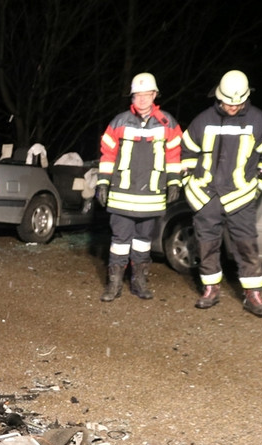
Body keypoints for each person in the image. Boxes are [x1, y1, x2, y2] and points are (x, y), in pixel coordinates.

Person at [180, 70, 262, 318]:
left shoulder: (259, 121)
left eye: (237, 103)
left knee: (246, 246)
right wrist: (187, 182)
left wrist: (258, 185)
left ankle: (253, 295)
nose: (233, 107)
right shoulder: (203, 120)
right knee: (206, 245)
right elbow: (186, 153)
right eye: (228, 102)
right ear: (219, 96)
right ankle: (211, 289)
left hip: (241, 196)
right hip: (206, 197)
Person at [95, 72, 183, 302]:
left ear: (154, 95)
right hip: (122, 193)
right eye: (138, 95)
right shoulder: (119, 122)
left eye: (147, 95)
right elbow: (107, 155)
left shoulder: (168, 123)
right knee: (119, 243)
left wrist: (174, 181)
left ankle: (139, 282)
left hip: (151, 196)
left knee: (144, 242)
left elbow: (174, 156)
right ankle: (114, 284)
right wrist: (103, 182)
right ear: (132, 97)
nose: (142, 99)